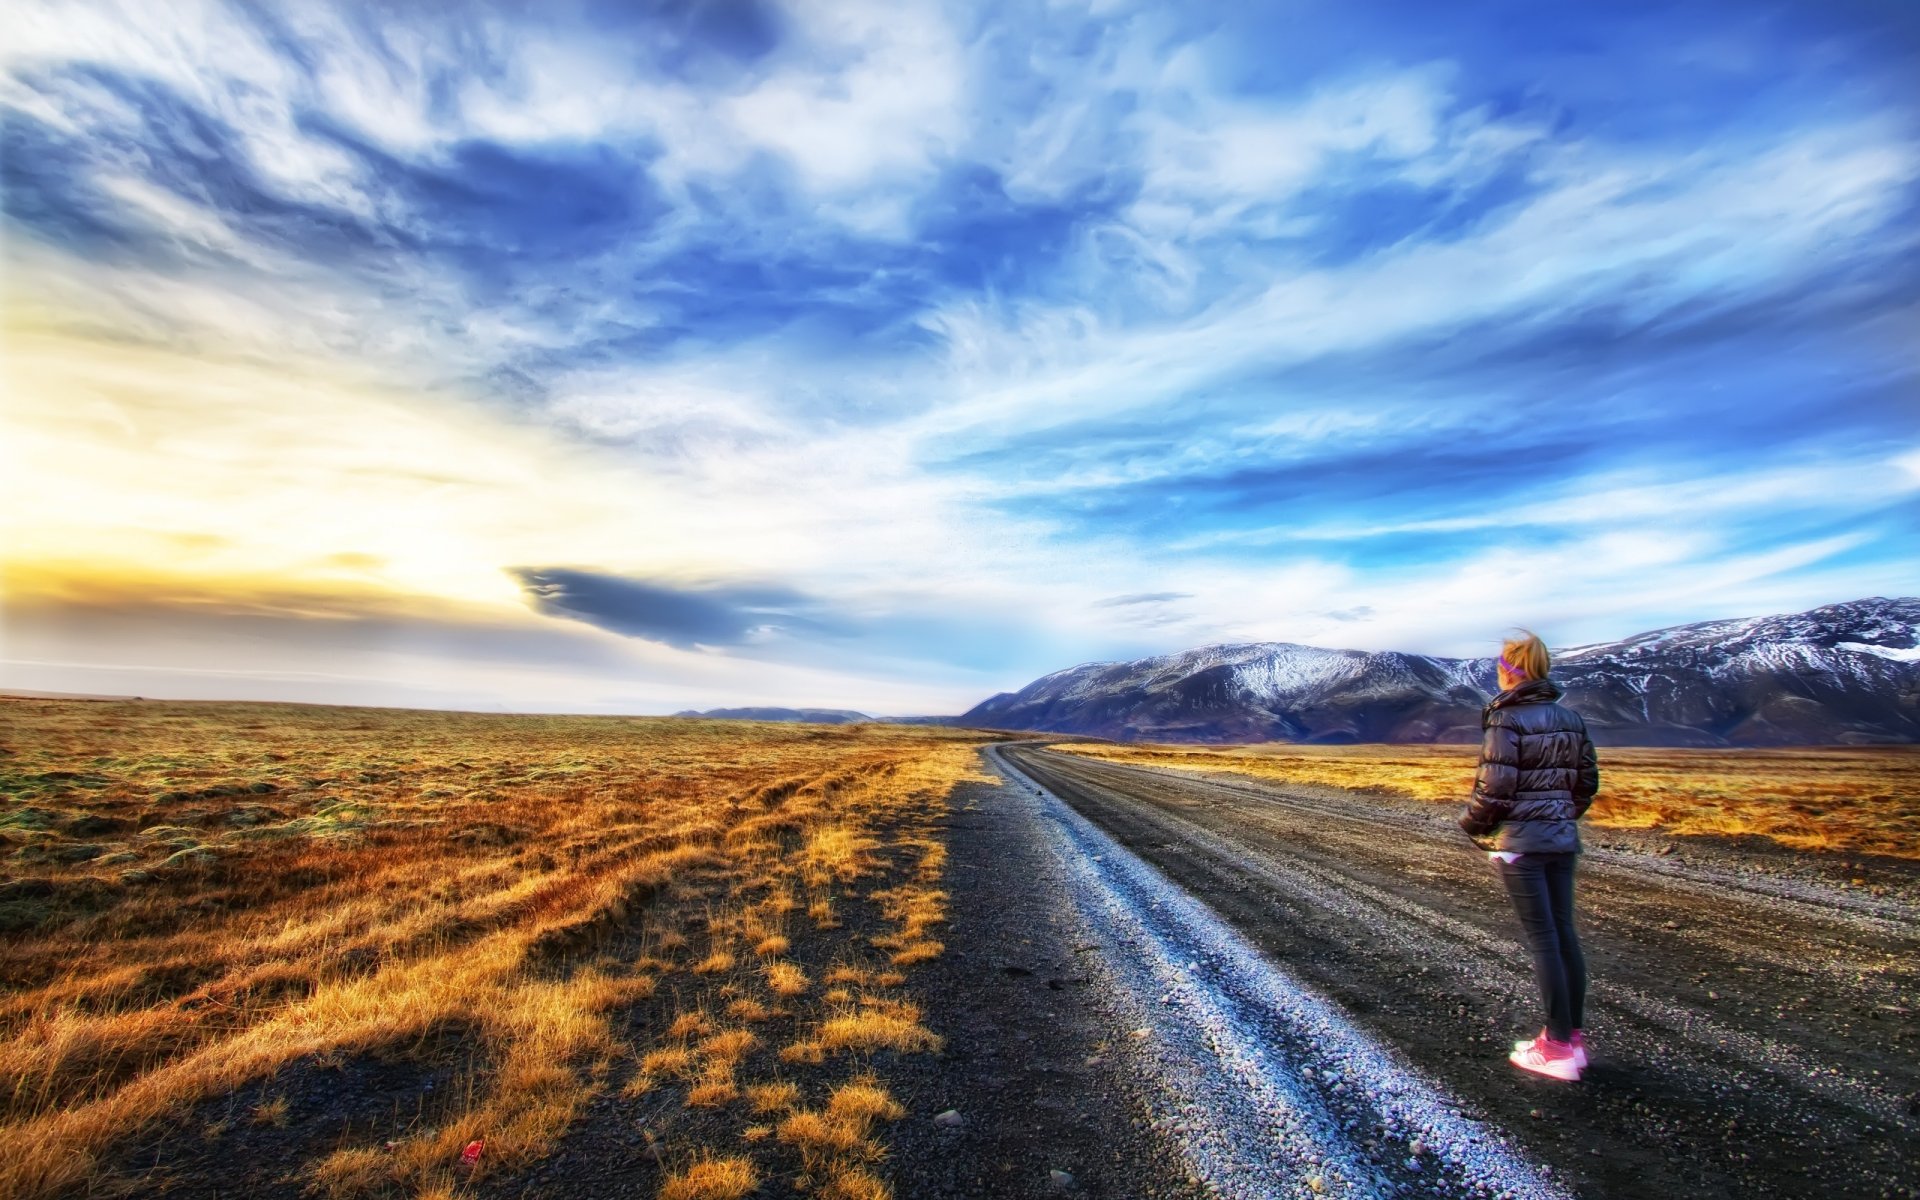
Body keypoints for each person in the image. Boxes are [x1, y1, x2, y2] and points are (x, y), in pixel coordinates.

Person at [1458, 630, 1600, 1081]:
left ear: (1508, 670)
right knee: (1563, 935)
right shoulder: (1570, 718)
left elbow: (1494, 788)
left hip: (1522, 842)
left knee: (1543, 940)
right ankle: (1569, 1040)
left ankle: (1556, 1048)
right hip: (1560, 839)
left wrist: (1475, 826)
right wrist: (1558, 817)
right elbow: (1586, 784)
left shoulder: (1506, 719)